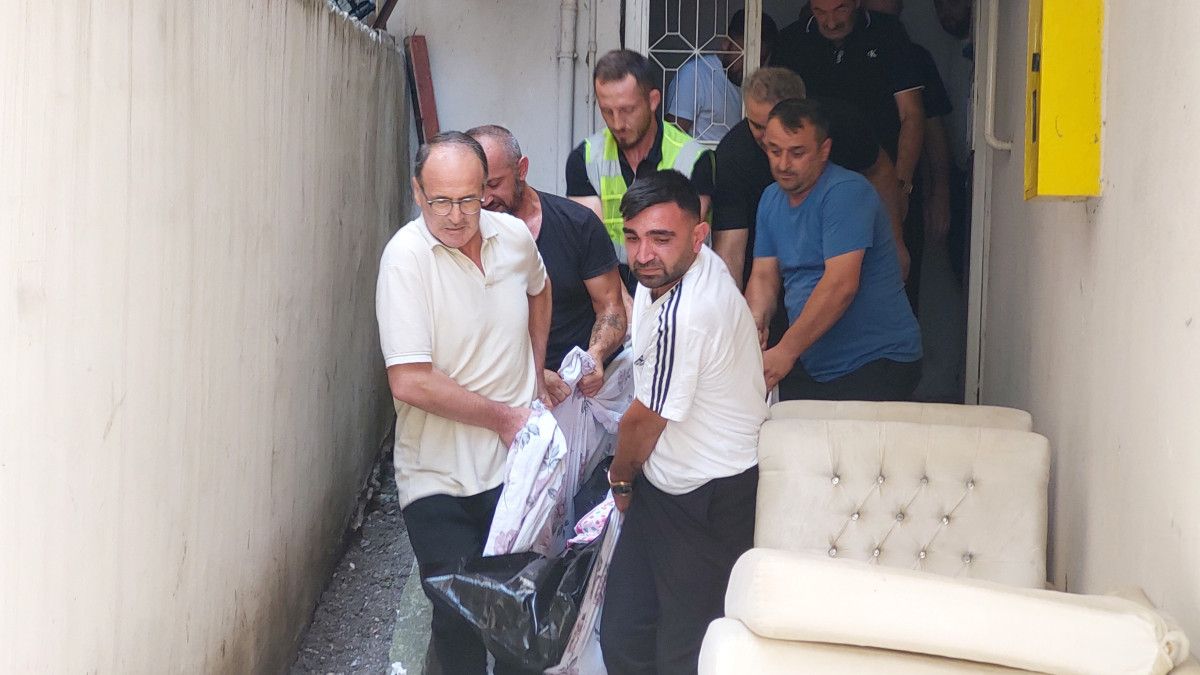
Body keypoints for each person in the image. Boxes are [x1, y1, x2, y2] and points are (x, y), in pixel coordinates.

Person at [375, 131, 552, 675]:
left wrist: (535, 374)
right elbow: (409, 381)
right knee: (457, 621)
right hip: (438, 477)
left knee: (518, 618)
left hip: (514, 471)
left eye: (468, 200)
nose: (455, 216)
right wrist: (504, 416)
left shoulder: (514, 238)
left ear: (487, 190)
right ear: (417, 192)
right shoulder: (405, 259)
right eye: (440, 201)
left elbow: (540, 290)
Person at [599, 171, 768, 675]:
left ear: (699, 236)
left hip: (709, 497)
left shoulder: (689, 312)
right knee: (625, 634)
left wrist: (620, 480)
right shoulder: (667, 273)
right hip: (665, 483)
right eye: (632, 237)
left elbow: (641, 424)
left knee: (684, 653)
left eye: (660, 238)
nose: (643, 254)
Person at [746, 98, 922, 401]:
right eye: (774, 151)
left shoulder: (847, 191)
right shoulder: (770, 198)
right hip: (814, 363)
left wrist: (785, 351)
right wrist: (754, 322)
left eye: (797, 153)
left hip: (878, 360)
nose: (783, 164)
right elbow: (763, 276)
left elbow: (841, 285)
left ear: (824, 150)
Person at [773, 0, 926, 305]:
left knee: (892, 283)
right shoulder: (791, 42)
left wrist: (901, 187)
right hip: (814, 194)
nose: (830, 22)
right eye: (820, 12)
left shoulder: (888, 34)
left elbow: (912, 115)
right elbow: (776, 122)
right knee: (818, 292)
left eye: (840, 9)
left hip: (884, 183)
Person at [467, 124, 626, 403]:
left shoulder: (578, 224)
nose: (485, 199)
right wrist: (534, 375)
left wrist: (595, 356)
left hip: (576, 390)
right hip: (497, 389)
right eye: (475, 189)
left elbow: (611, 307)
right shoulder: (462, 237)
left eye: (494, 184)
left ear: (522, 169)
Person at [566, 49, 715, 291]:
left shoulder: (693, 158)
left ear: (653, 101)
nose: (617, 123)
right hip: (610, 287)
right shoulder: (585, 159)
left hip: (680, 288)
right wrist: (623, 304)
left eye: (627, 110)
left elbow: (686, 247)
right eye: (607, 111)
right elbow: (591, 249)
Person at [664, 11, 778, 142]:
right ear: (726, 43)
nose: (749, 64)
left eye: (760, 59)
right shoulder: (695, 75)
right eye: (743, 55)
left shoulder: (758, 89)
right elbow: (672, 138)